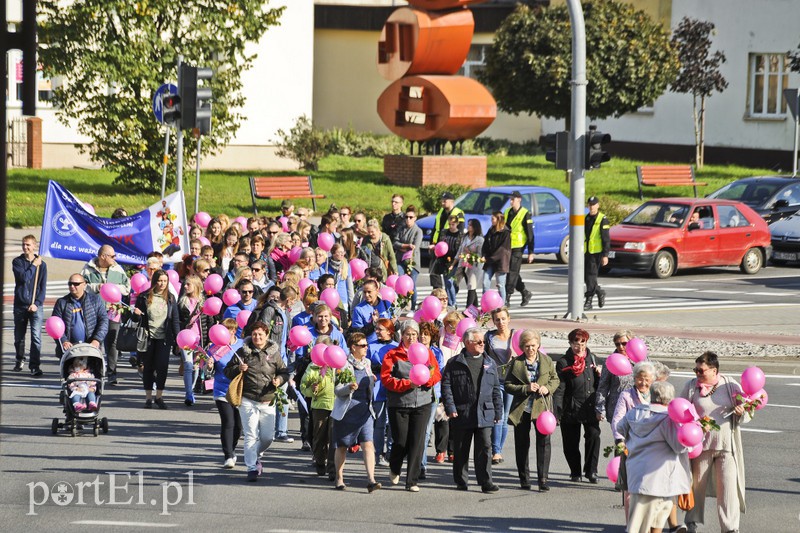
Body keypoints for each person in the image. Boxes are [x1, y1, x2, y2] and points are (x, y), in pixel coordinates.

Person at [680, 352, 750, 533]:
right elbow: (680, 413)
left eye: (701, 370)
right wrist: (695, 425)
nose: (697, 373)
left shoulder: (730, 384)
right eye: (695, 369)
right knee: (696, 487)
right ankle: (691, 523)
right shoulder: (691, 387)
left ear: (714, 370)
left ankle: (730, 528)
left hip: (726, 447)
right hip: (700, 447)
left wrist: (740, 411)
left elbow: (747, 409)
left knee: (728, 490)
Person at [618, 381, 691, 533]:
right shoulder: (668, 419)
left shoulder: (635, 412)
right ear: (670, 399)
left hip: (637, 474)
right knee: (654, 520)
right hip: (660, 479)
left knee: (640, 522)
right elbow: (678, 447)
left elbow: (620, 428)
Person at [224, 321, 290, 482]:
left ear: (267, 335)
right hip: (248, 399)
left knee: (268, 437)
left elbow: (284, 372)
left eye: (260, 334)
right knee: (250, 435)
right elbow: (227, 370)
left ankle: (256, 454)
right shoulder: (243, 352)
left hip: (268, 400)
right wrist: (238, 369)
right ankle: (251, 467)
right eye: (254, 334)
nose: (257, 337)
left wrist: (279, 379)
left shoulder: (274, 353)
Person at [380, 320, 442, 492]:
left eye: (414, 334)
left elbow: (436, 373)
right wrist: (408, 383)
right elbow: (386, 379)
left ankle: (412, 481)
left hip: (422, 403)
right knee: (400, 440)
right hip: (399, 404)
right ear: (401, 335)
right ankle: (395, 466)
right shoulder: (392, 355)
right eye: (408, 334)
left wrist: (426, 381)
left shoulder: (427, 353)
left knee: (417, 442)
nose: (411, 337)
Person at [441, 327, 503, 493]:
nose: (483, 344)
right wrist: (450, 407)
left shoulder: (490, 362)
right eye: (479, 342)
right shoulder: (454, 363)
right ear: (468, 343)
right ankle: (461, 480)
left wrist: (498, 411)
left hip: (485, 411)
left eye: (483, 341)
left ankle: (486, 482)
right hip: (462, 412)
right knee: (461, 449)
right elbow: (446, 386)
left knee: (485, 448)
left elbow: (496, 389)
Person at [505, 329, 559, 491]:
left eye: (533, 345)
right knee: (522, 444)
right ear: (522, 346)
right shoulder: (516, 363)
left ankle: (543, 479)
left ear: (538, 345)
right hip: (522, 409)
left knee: (544, 443)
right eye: (527, 346)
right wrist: (525, 388)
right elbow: (508, 385)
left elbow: (555, 379)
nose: (530, 349)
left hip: (542, 408)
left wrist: (547, 388)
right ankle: (524, 479)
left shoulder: (547, 360)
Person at [331, 332, 382, 492]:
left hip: (365, 410)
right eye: (363, 345)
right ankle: (339, 478)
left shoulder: (366, 363)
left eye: (366, 345)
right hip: (347, 411)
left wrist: (372, 380)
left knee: (368, 444)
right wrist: (348, 388)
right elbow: (337, 390)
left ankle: (371, 480)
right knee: (342, 446)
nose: (366, 348)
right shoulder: (343, 365)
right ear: (353, 347)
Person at [554, 328, 602, 483]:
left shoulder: (592, 358)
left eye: (583, 342)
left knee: (594, 436)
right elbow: (560, 389)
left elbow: (599, 385)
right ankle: (575, 471)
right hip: (571, 408)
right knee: (570, 442)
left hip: (589, 406)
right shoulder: (564, 362)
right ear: (570, 343)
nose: (579, 346)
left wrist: (599, 374)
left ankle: (591, 470)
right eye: (576, 342)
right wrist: (557, 411)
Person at [82, 244, 131, 385]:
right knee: (94, 340)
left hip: (113, 310)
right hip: (93, 310)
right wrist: (97, 287)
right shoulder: (87, 268)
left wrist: (113, 288)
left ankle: (112, 372)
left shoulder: (118, 268)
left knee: (112, 342)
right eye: (112, 256)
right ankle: (93, 371)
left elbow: (127, 288)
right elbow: (82, 286)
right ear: (103, 256)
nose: (115, 258)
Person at [133, 270, 181, 409]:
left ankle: (159, 396)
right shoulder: (144, 297)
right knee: (148, 367)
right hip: (147, 337)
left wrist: (178, 340)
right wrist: (135, 315)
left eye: (165, 281)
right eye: (159, 280)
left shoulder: (171, 298)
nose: (162, 284)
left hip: (164, 338)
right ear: (154, 281)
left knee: (162, 367)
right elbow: (135, 319)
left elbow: (175, 321)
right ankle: (148, 398)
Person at [206, 318, 244, 468]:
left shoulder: (242, 345)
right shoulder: (214, 349)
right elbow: (207, 372)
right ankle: (228, 455)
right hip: (222, 389)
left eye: (227, 330)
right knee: (228, 423)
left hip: (240, 389)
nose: (223, 333)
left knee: (239, 426)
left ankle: (232, 449)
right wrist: (209, 366)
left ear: (234, 331)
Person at [300, 335, 337, 479]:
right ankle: (320, 461)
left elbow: (346, 378)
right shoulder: (312, 367)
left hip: (336, 405)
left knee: (333, 437)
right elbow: (304, 387)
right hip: (319, 406)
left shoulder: (337, 363)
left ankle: (333, 468)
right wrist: (312, 390)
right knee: (319, 437)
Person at [484, 307, 515, 465]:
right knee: (499, 415)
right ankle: (496, 451)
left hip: (512, 380)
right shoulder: (489, 337)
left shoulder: (516, 336)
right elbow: (484, 356)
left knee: (505, 414)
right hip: (495, 381)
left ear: (509, 318)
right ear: (493, 321)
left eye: (503, 318)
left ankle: (497, 450)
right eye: (497, 319)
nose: (501, 322)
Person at [12, 234, 47, 375]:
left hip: (35, 306)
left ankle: (34, 366)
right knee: (19, 337)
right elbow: (24, 278)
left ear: (34, 246)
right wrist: (33, 265)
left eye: (28, 245)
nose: (25, 247)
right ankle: (20, 358)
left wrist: (37, 303)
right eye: (24, 244)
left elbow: (42, 288)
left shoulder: (42, 265)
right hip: (20, 305)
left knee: (36, 337)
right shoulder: (17, 262)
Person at [52, 274, 109, 359]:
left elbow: (104, 321)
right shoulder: (62, 302)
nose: (72, 286)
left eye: (76, 284)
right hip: (70, 350)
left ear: (84, 284)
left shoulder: (95, 300)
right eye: (70, 283)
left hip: (91, 348)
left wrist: (96, 340)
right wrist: (64, 341)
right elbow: (54, 326)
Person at [367, 318, 398, 467]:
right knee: (379, 423)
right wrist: (373, 369)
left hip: (394, 388)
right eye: (377, 329)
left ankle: (391, 453)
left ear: (389, 331)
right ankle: (377, 453)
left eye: (380, 329)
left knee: (393, 423)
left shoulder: (397, 347)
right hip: (378, 387)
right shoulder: (370, 346)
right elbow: (365, 365)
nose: (377, 332)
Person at [177, 275, 210, 406]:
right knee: (188, 365)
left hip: (200, 338)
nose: (185, 287)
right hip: (186, 338)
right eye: (185, 284)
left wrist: (209, 340)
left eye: (188, 284)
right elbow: (178, 321)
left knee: (196, 366)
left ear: (196, 286)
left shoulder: (204, 302)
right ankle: (188, 394)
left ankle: (192, 390)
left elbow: (209, 321)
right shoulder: (182, 302)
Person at [596, 330, 637, 424]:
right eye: (617, 344)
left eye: (624, 343)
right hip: (618, 408)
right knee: (620, 438)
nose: (621, 347)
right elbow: (603, 387)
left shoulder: (640, 359)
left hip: (637, 407)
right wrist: (600, 408)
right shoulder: (611, 362)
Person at [503, 190, 534, 307]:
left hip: (519, 247)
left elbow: (530, 234)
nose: (511, 201)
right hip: (507, 246)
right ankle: (525, 292)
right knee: (513, 272)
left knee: (511, 273)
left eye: (513, 199)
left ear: (519, 199)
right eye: (510, 199)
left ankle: (507, 296)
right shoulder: (507, 212)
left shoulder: (525, 213)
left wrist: (531, 252)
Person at [392, 205, 423, 310]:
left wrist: (404, 247)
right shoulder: (401, 229)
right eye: (406, 217)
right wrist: (405, 246)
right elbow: (395, 242)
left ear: (415, 218)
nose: (408, 219)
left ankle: (413, 307)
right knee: (399, 281)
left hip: (412, 262)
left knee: (412, 285)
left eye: (411, 217)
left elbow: (415, 247)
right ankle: (400, 305)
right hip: (400, 260)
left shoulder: (418, 231)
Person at [430, 215, 463, 308]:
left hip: (455, 260)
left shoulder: (460, 235)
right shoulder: (444, 232)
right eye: (449, 224)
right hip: (444, 260)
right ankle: (450, 302)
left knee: (449, 281)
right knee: (447, 282)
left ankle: (453, 302)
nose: (451, 226)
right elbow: (440, 244)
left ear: (457, 224)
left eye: (453, 224)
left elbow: (460, 248)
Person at [584, 196, 610, 311]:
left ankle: (588, 301)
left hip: (597, 252)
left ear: (598, 205)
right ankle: (599, 291)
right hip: (587, 251)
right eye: (590, 204)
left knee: (591, 276)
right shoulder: (586, 218)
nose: (592, 207)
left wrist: (605, 255)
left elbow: (606, 239)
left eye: (594, 204)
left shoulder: (602, 219)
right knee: (587, 277)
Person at [453, 219, 484, 310]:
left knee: (471, 286)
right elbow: (460, 250)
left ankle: (468, 310)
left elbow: (480, 255)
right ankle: (475, 309)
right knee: (468, 287)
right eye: (468, 224)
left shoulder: (480, 240)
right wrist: (454, 261)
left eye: (470, 225)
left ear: (475, 227)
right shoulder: (465, 237)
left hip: (474, 267)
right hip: (463, 264)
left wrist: (469, 253)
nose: (468, 226)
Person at [482, 211, 511, 301]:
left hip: (500, 261)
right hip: (489, 261)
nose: (491, 221)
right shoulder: (491, 230)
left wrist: (489, 259)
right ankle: (485, 302)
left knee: (500, 284)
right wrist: (483, 255)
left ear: (498, 219)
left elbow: (502, 250)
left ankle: (502, 304)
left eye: (493, 219)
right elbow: (485, 243)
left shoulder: (506, 232)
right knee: (485, 282)